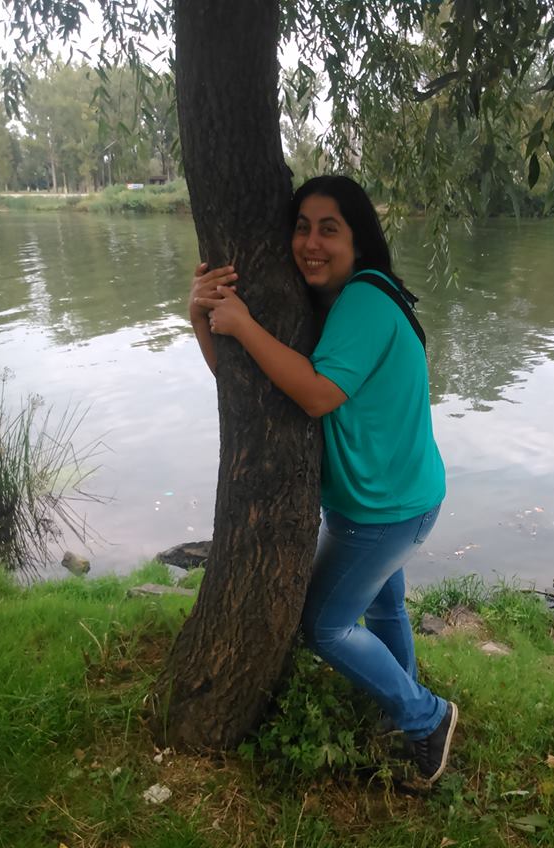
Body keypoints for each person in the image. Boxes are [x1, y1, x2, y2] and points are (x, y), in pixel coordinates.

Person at [189, 175, 457, 782]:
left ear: (358, 240)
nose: (311, 242)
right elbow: (252, 390)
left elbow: (313, 395)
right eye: (302, 227)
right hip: (395, 498)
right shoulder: (340, 302)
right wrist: (201, 316)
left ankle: (426, 716)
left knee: (324, 625)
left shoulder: (363, 302)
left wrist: (243, 324)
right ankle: (402, 702)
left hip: (384, 511)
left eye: (329, 229)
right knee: (385, 608)